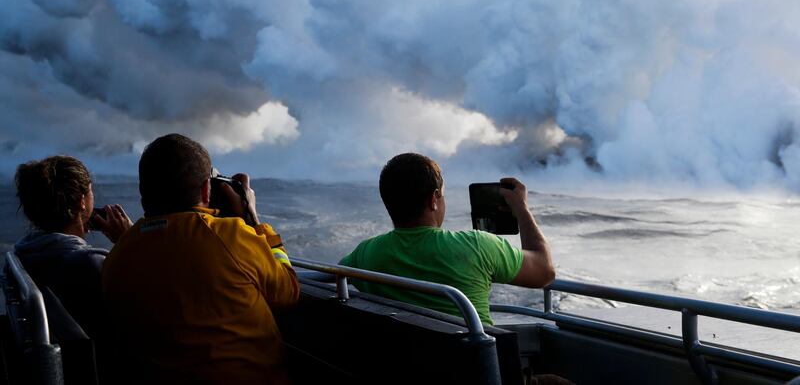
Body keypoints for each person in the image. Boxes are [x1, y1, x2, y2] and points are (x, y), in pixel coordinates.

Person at [102, 133, 299, 385]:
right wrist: (252, 218)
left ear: (143, 191)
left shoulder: (118, 256)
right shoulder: (230, 236)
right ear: (207, 188)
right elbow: (288, 292)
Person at [340, 153, 555, 325]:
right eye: (442, 194)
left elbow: (325, 277)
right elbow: (544, 271)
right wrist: (521, 209)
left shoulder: (365, 254)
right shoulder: (478, 246)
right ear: (434, 199)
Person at [13, 155, 132, 336]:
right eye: (90, 192)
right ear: (81, 201)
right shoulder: (90, 263)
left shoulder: (23, 254)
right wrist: (128, 241)